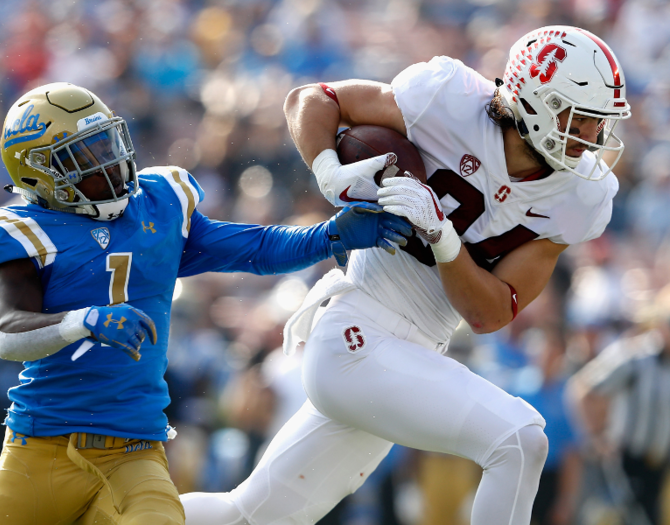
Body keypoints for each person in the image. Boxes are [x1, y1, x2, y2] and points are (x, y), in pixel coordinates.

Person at [181, 25, 632, 525]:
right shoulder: (449, 97)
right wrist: (328, 169)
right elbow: (314, 98)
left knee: (249, 516)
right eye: (583, 118)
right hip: (356, 335)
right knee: (521, 440)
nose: (592, 138)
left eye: (598, 122)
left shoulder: (579, 198)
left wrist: (442, 236)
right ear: (537, 101)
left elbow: (486, 313)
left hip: (408, 354)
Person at [0, 82, 411, 525]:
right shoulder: (24, 231)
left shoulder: (159, 206)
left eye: (105, 143)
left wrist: (329, 234)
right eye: (82, 156)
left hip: (133, 451)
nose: (109, 162)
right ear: (38, 175)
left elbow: (253, 247)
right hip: (38, 449)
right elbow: (8, 332)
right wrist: (83, 321)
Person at [567, 287, 670, 525]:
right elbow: (582, 387)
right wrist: (595, 436)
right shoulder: (633, 355)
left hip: (660, 464)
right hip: (628, 459)